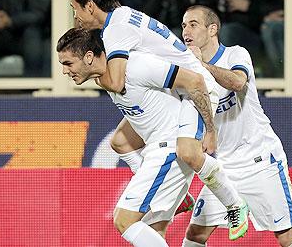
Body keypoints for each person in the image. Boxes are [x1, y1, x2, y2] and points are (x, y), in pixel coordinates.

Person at [66, 0, 249, 240]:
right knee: (120, 142)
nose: (76, 17)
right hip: (174, 87)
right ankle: (180, 195)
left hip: (195, 86)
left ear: (90, 5)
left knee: (187, 150)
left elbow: (116, 81)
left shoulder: (116, 28)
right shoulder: (123, 16)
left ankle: (234, 204)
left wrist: (210, 130)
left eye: (75, 9)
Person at [56, 27, 207, 246]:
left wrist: (207, 130)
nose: (64, 71)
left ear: (89, 56)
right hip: (164, 150)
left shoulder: (134, 66)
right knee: (153, 230)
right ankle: (179, 197)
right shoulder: (104, 78)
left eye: (68, 63)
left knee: (124, 221)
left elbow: (194, 81)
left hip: (170, 147)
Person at [180, 5, 292, 247]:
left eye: (193, 24)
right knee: (195, 235)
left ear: (212, 29)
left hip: (260, 161)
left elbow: (238, 82)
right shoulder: (187, 74)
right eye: (184, 25)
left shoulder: (236, 54)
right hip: (225, 168)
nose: (186, 30)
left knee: (287, 236)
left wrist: (203, 67)